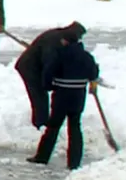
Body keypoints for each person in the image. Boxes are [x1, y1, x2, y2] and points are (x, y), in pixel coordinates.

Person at [27, 30, 99, 170]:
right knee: (75, 127)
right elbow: (93, 73)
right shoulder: (86, 57)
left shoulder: (59, 55)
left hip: (61, 95)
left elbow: (48, 73)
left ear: (66, 41)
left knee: (53, 126)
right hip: (78, 96)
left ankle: (42, 156)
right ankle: (74, 162)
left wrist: (48, 86)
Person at [15, 21, 87, 129]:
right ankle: (40, 124)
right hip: (29, 67)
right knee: (40, 95)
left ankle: (42, 122)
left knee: (41, 95)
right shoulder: (55, 41)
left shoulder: (60, 36)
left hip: (36, 65)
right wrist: (48, 84)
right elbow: (48, 63)